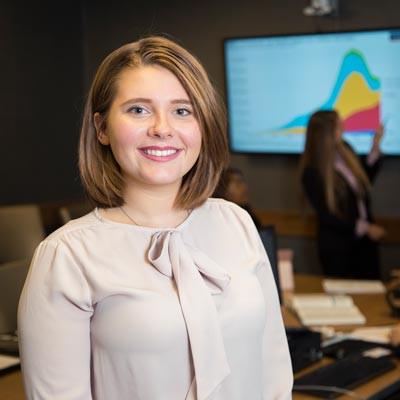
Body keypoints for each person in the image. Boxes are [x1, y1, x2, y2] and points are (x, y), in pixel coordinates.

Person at [18, 36, 293, 399]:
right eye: (138, 110)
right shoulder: (66, 256)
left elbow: (273, 374)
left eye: (182, 111)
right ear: (101, 128)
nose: (163, 128)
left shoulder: (236, 222)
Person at [299, 109, 386, 279]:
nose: (343, 129)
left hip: (364, 246)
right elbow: (328, 215)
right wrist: (365, 228)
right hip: (338, 250)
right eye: (339, 126)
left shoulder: (346, 150)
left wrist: (375, 147)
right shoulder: (312, 173)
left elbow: (363, 180)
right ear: (325, 132)